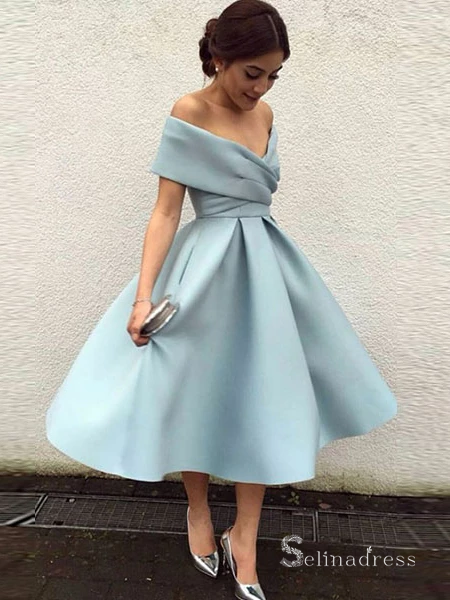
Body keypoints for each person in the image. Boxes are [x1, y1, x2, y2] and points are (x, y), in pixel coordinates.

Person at [45, 2, 398, 599]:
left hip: (266, 270)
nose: (260, 88)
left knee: (265, 396)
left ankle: (247, 535)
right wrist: (143, 297)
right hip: (203, 274)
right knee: (195, 392)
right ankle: (199, 511)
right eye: (252, 73)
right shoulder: (189, 110)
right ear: (218, 58)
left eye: (273, 76)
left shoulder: (266, 114)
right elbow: (166, 211)